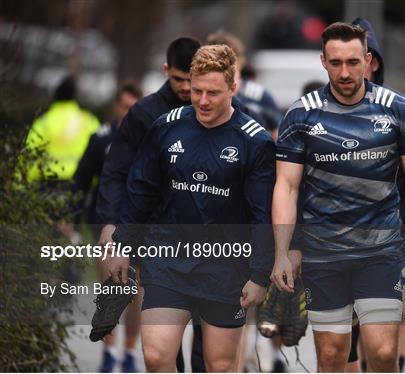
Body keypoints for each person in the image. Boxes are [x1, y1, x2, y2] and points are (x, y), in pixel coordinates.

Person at [271, 22, 405, 372]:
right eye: (336, 62)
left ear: (367, 60)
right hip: (323, 255)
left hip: (380, 252)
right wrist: (282, 252)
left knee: (384, 352)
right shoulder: (301, 115)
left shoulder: (397, 110)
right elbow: (287, 187)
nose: (345, 72)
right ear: (323, 61)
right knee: (332, 355)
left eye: (353, 62)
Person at [107, 44, 275, 372]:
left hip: (226, 270)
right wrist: (122, 244)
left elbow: (262, 214)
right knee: (156, 355)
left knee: (220, 365)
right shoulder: (166, 127)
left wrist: (259, 274)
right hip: (168, 262)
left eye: (213, 93)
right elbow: (141, 191)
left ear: (232, 88)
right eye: (196, 91)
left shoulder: (254, 141)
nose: (201, 101)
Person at [95, 36, 202, 372]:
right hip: (159, 240)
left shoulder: (217, 108)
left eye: (192, 79)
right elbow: (115, 173)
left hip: (209, 239)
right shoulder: (144, 114)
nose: (187, 88)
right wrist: (111, 225)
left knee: (207, 336)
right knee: (164, 341)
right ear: (165, 70)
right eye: (179, 80)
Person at [351, 16, 405, 372]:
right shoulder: (316, 113)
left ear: (375, 61)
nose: (360, 66)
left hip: (394, 234)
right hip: (335, 236)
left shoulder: (401, 110)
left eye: (366, 57)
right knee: (345, 330)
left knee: (386, 324)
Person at [72, 83, 142, 372]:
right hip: (106, 225)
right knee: (111, 288)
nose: (128, 113)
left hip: (139, 225)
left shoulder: (149, 137)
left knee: (137, 294)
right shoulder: (101, 139)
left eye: (133, 108)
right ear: (116, 107)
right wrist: (73, 222)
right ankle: (110, 352)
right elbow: (80, 181)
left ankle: (128, 353)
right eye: (124, 107)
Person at [206, 30, 282, 141]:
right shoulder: (197, 96)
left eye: (229, 63)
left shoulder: (258, 96)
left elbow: (279, 135)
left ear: (241, 63)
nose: (222, 69)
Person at [26, 76, 100, 182]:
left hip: (48, 183)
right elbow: (100, 152)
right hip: (80, 182)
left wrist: (23, 185)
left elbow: (29, 155)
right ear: (74, 96)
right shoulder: (89, 121)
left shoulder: (44, 122)